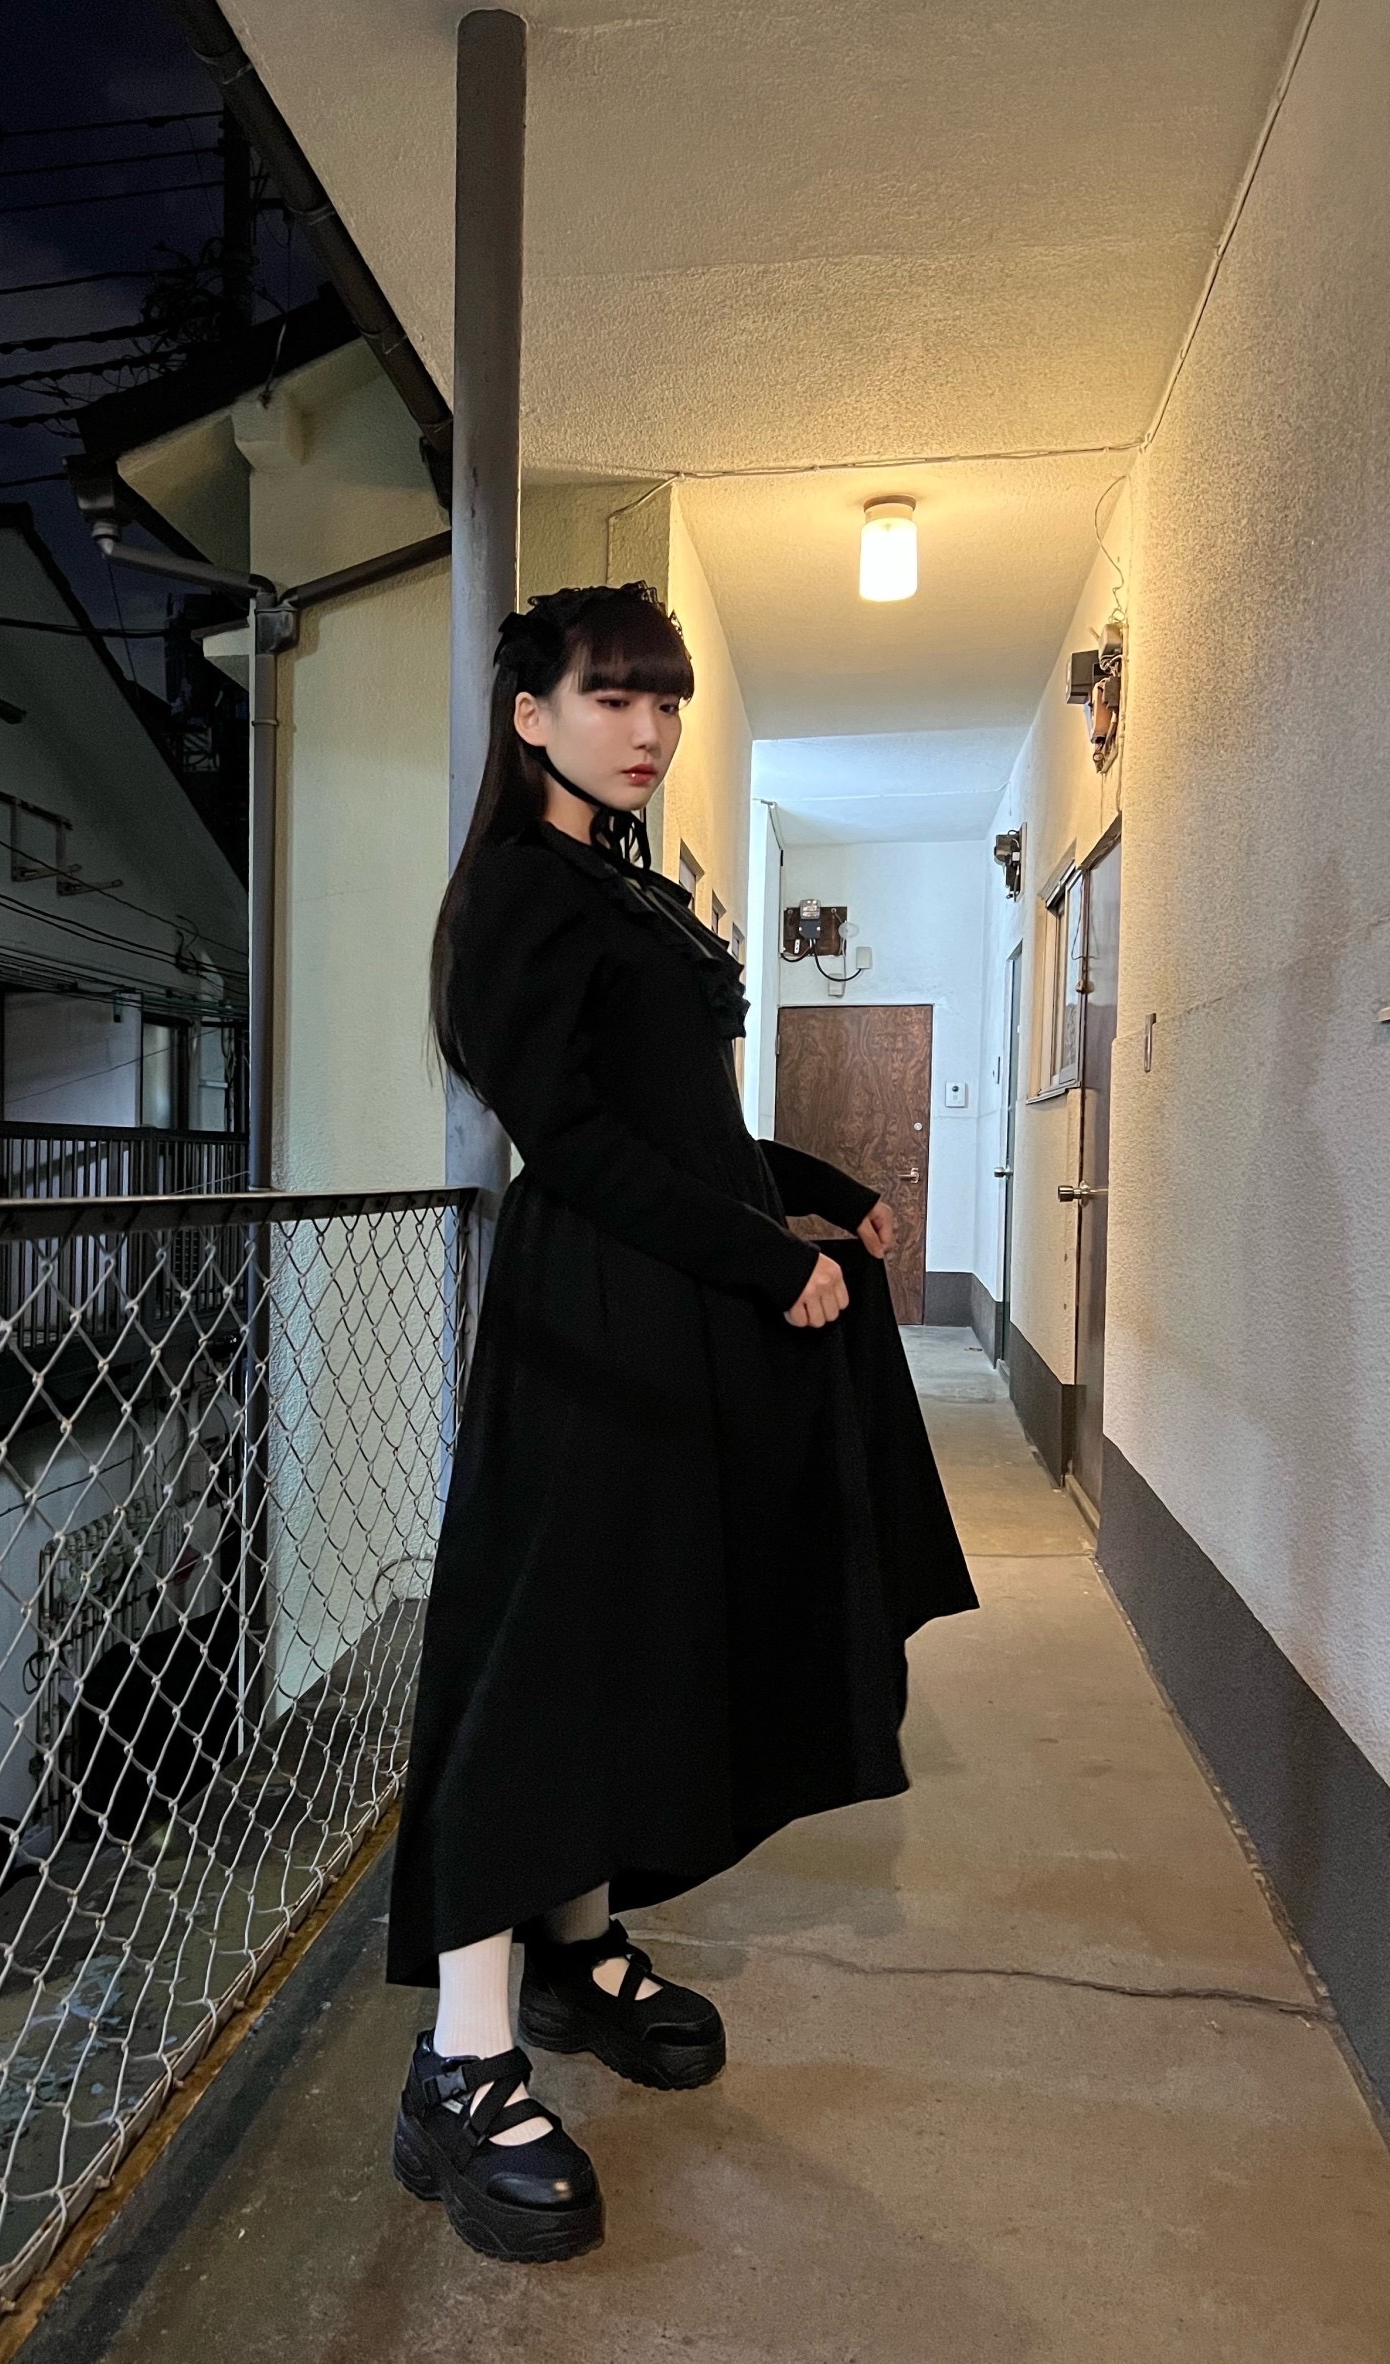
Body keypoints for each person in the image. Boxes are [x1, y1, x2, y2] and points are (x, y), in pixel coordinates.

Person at [386, 581, 976, 2263]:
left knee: (632, 1642)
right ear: (530, 716)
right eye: (612, 696)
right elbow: (566, 1139)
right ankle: (461, 2062)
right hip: (589, 1322)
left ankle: (575, 1952)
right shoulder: (517, 887)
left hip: (662, 1307)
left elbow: (677, 1125)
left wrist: (810, 1191)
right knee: (540, 1663)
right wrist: (756, 1255)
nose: (647, 728)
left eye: (666, 700)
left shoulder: (618, 884)